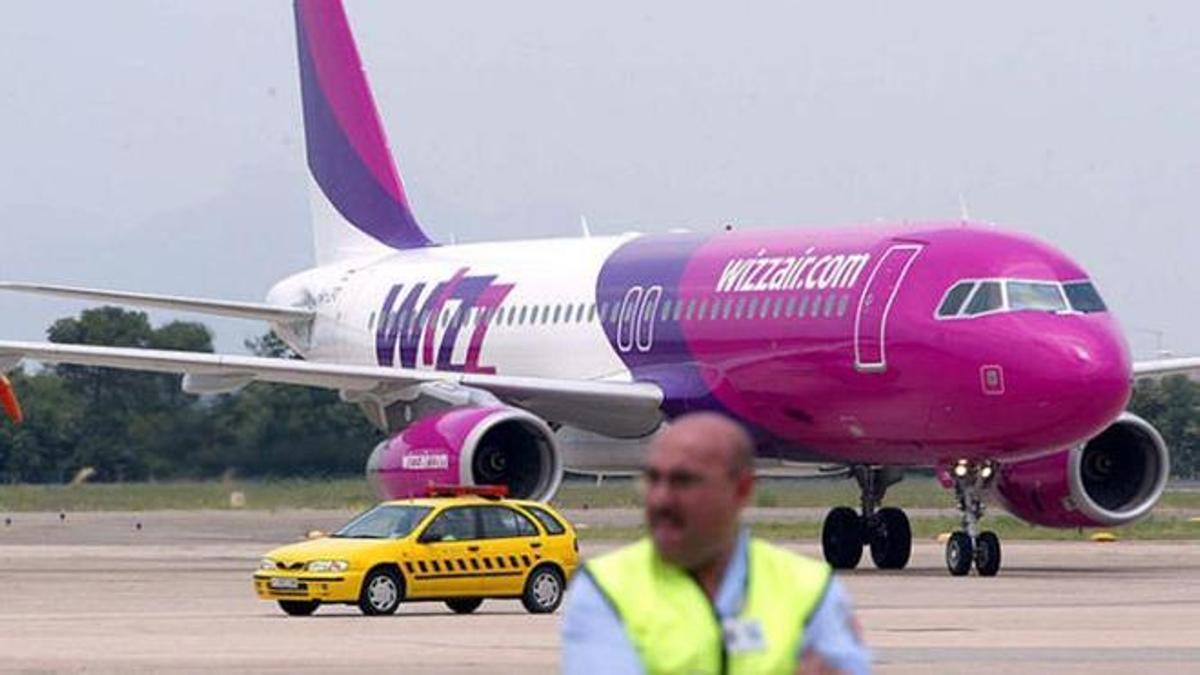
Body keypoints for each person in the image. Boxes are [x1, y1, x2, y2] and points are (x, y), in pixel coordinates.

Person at [561, 412, 870, 674]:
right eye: (652, 479)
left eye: (684, 481)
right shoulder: (606, 590)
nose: (660, 499)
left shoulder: (811, 590)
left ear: (742, 490)